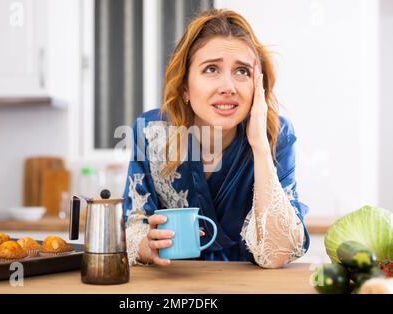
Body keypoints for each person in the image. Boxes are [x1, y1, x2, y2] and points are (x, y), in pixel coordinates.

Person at [122, 9, 310, 268]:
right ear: (185, 86)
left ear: (258, 84)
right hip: (175, 286)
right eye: (212, 69)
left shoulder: (276, 134)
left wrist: (259, 145)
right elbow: (134, 225)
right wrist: (148, 245)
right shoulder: (149, 132)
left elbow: (277, 254)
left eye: (242, 72)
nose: (228, 87)